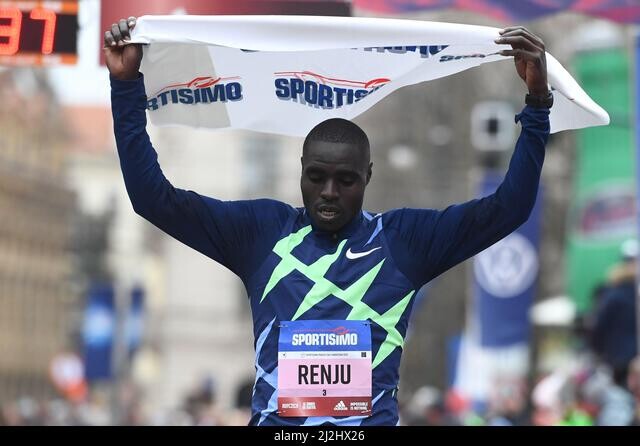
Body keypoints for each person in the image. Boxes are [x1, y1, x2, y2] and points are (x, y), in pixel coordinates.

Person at [104, 16, 551, 426]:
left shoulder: (403, 242)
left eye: (346, 180)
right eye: (316, 178)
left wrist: (536, 105)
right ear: (301, 171)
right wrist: (125, 86)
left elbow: (507, 208)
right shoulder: (262, 233)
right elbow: (154, 200)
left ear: (368, 176)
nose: (329, 193)